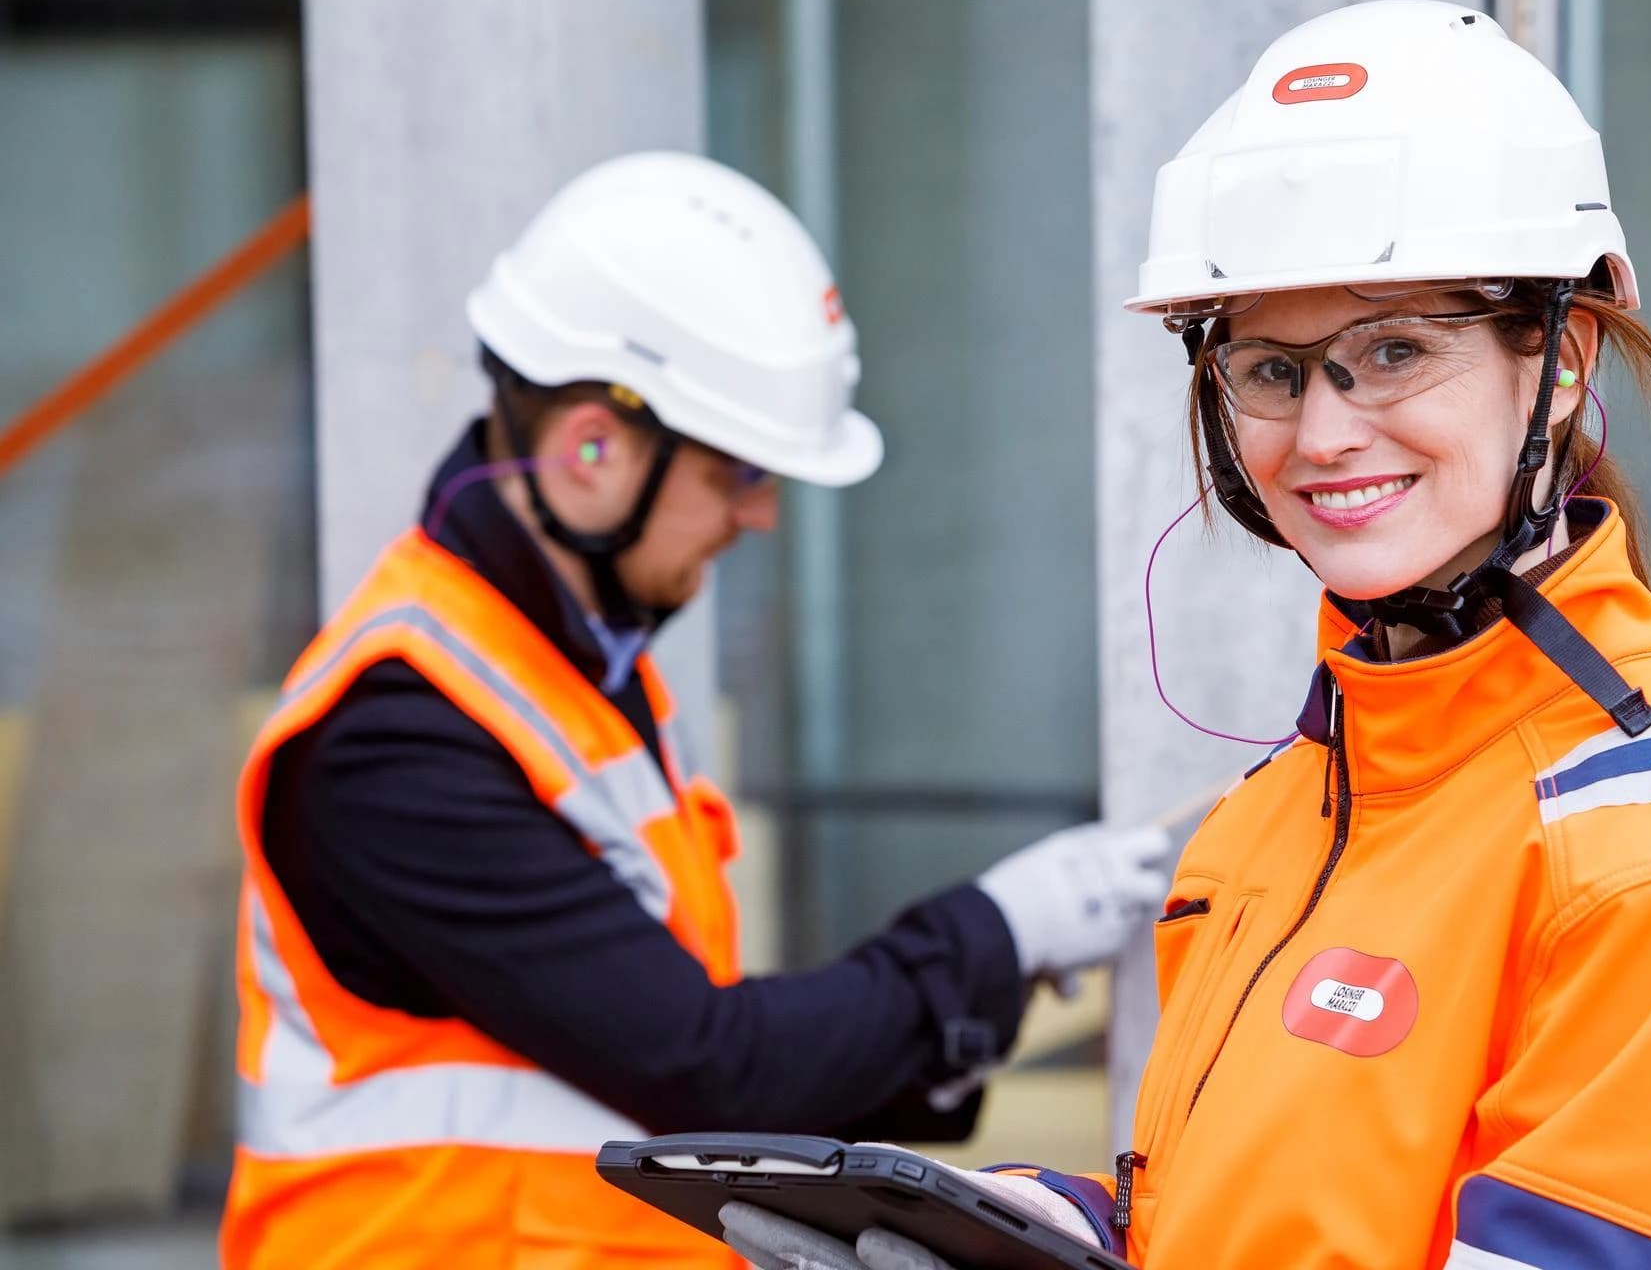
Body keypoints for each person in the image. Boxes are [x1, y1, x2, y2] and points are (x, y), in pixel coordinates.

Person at [717, 1, 1651, 1269]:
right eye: (1270, 369)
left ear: (1556, 365)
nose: (1322, 435)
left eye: (1392, 350)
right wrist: (1063, 1230)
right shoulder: (1268, 824)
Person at [220, 152, 1170, 1268]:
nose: (761, 515)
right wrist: (993, 934)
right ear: (590, 449)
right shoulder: (397, 738)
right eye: (736, 473)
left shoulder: (570, 674)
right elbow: (709, 1064)